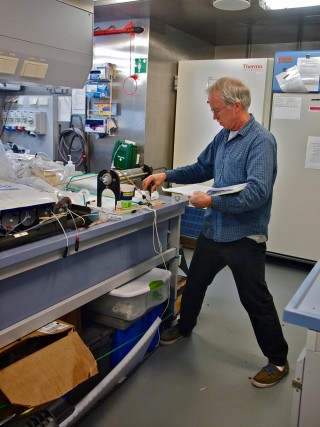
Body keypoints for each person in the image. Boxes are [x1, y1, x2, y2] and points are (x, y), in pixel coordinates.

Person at [142, 77, 289, 388]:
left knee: (255, 300)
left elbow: (257, 194)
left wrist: (211, 200)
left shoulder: (261, 141)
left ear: (237, 106)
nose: (214, 116)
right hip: (214, 230)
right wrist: (166, 173)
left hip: (244, 236)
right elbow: (200, 168)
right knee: (194, 284)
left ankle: (278, 360)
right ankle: (185, 327)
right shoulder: (224, 136)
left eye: (217, 110)